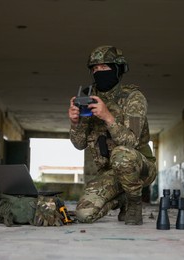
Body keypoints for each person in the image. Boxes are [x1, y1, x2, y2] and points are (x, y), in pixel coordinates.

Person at [68, 45, 156, 225]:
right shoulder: (88, 97)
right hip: (110, 172)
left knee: (121, 154)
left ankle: (133, 202)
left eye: (105, 67)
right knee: (84, 214)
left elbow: (131, 141)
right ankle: (121, 199)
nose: (99, 72)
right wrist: (75, 123)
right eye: (95, 68)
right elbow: (79, 144)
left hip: (140, 168)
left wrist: (107, 116)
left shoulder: (133, 97)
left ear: (118, 69)